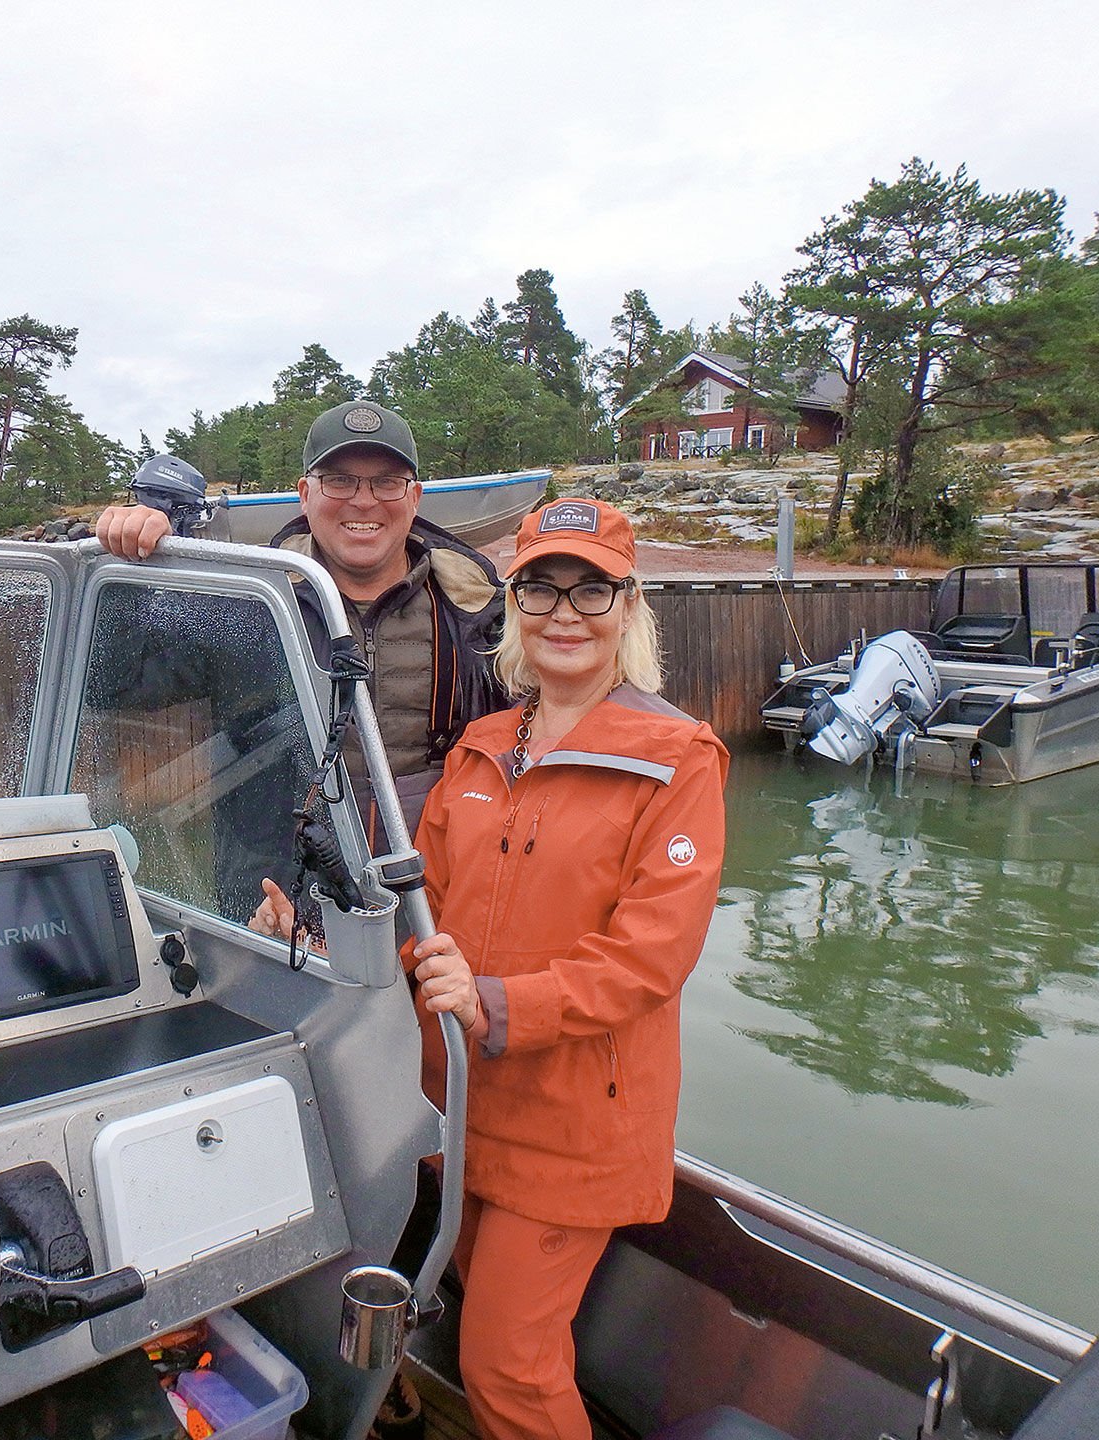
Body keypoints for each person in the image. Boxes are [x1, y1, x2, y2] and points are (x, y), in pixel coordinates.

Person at [405, 498, 729, 1440]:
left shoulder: (679, 759)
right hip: (459, 1106)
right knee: (507, 1342)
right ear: (513, 609)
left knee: (504, 1364)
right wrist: (309, 928)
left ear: (629, 610)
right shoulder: (477, 748)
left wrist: (498, 1002)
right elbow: (416, 912)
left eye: (593, 590)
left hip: (574, 1122)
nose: (565, 612)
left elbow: (650, 957)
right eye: (541, 588)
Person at [96, 400, 506, 848]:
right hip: (281, 885)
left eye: (387, 482)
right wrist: (130, 570)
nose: (364, 501)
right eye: (339, 481)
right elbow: (113, 683)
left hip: (441, 878)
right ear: (305, 494)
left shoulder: (478, 611)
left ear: (414, 497)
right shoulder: (248, 602)